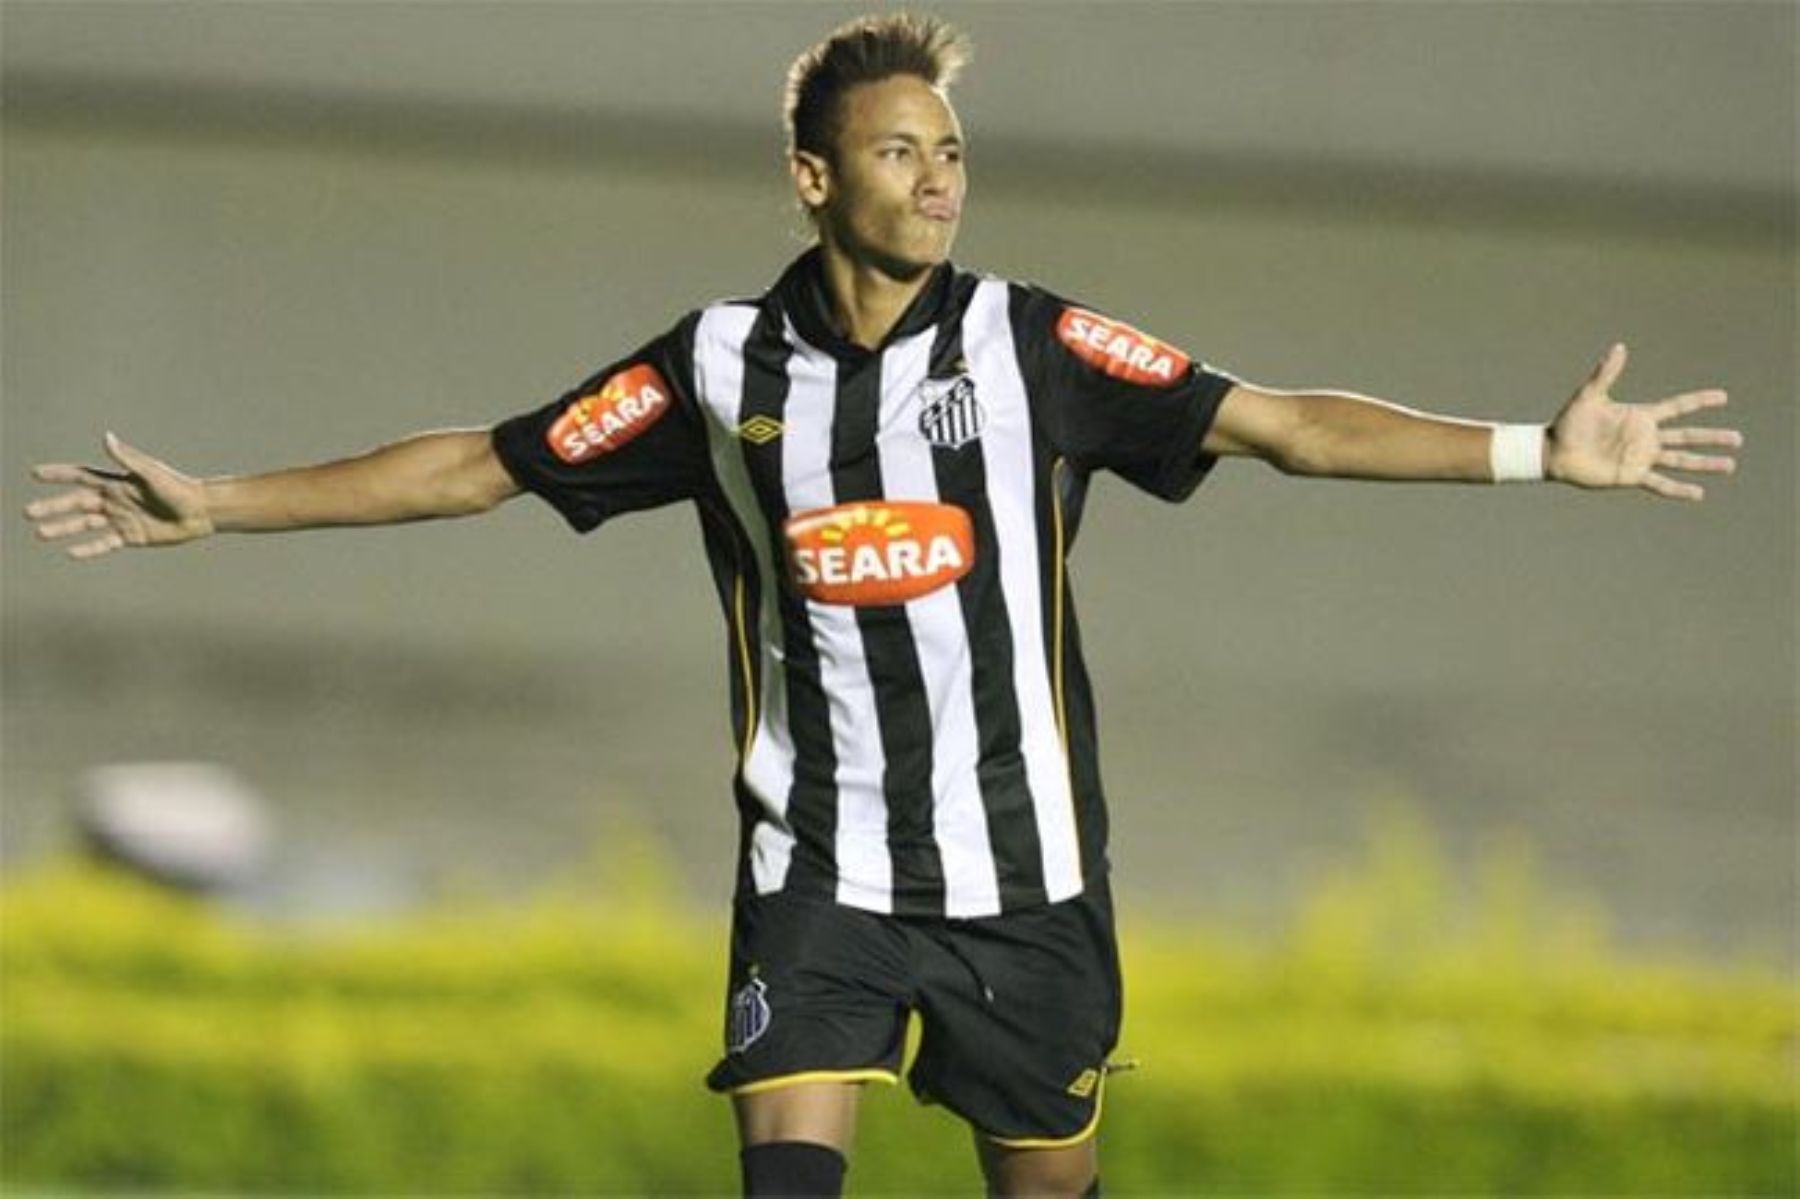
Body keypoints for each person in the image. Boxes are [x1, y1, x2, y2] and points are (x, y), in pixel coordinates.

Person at [23, 13, 1741, 1199]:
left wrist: (1540, 451)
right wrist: (224, 505)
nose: (941, 176)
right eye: (902, 150)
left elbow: (1286, 425)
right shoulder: (712, 369)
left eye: (953, 147)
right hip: (816, 878)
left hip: (1029, 884)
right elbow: (484, 461)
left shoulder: (1038, 346)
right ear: (813, 178)